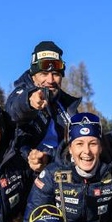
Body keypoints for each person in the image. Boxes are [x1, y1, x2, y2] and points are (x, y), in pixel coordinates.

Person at [5, 40, 80, 172]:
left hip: (60, 176)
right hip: (24, 176)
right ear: (33, 76)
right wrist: (29, 102)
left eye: (56, 74)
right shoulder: (22, 93)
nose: (50, 80)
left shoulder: (67, 107)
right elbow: (13, 109)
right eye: (44, 74)